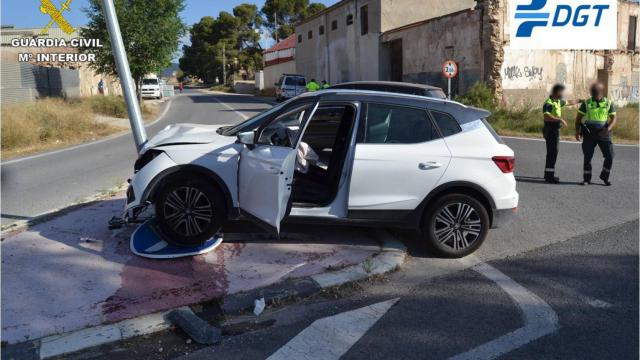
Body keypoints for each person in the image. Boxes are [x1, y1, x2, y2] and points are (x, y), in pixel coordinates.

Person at [575, 83, 617, 186]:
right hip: (589, 133)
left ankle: (605, 176)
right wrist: (577, 131)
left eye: (596, 92)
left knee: (610, 156)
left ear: (601, 92)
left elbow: (614, 118)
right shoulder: (587, 103)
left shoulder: (608, 103)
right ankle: (586, 179)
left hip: (604, 132)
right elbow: (578, 119)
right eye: (592, 92)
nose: (593, 94)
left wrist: (608, 129)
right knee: (587, 157)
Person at [542, 84, 580, 183]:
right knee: (552, 152)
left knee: (553, 152)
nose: (562, 94)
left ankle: (548, 174)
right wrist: (559, 119)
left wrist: (580, 100)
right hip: (550, 130)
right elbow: (546, 116)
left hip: (554, 130)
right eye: (561, 92)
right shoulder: (549, 103)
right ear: (555, 93)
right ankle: (549, 177)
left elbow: (569, 102)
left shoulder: (558, 102)